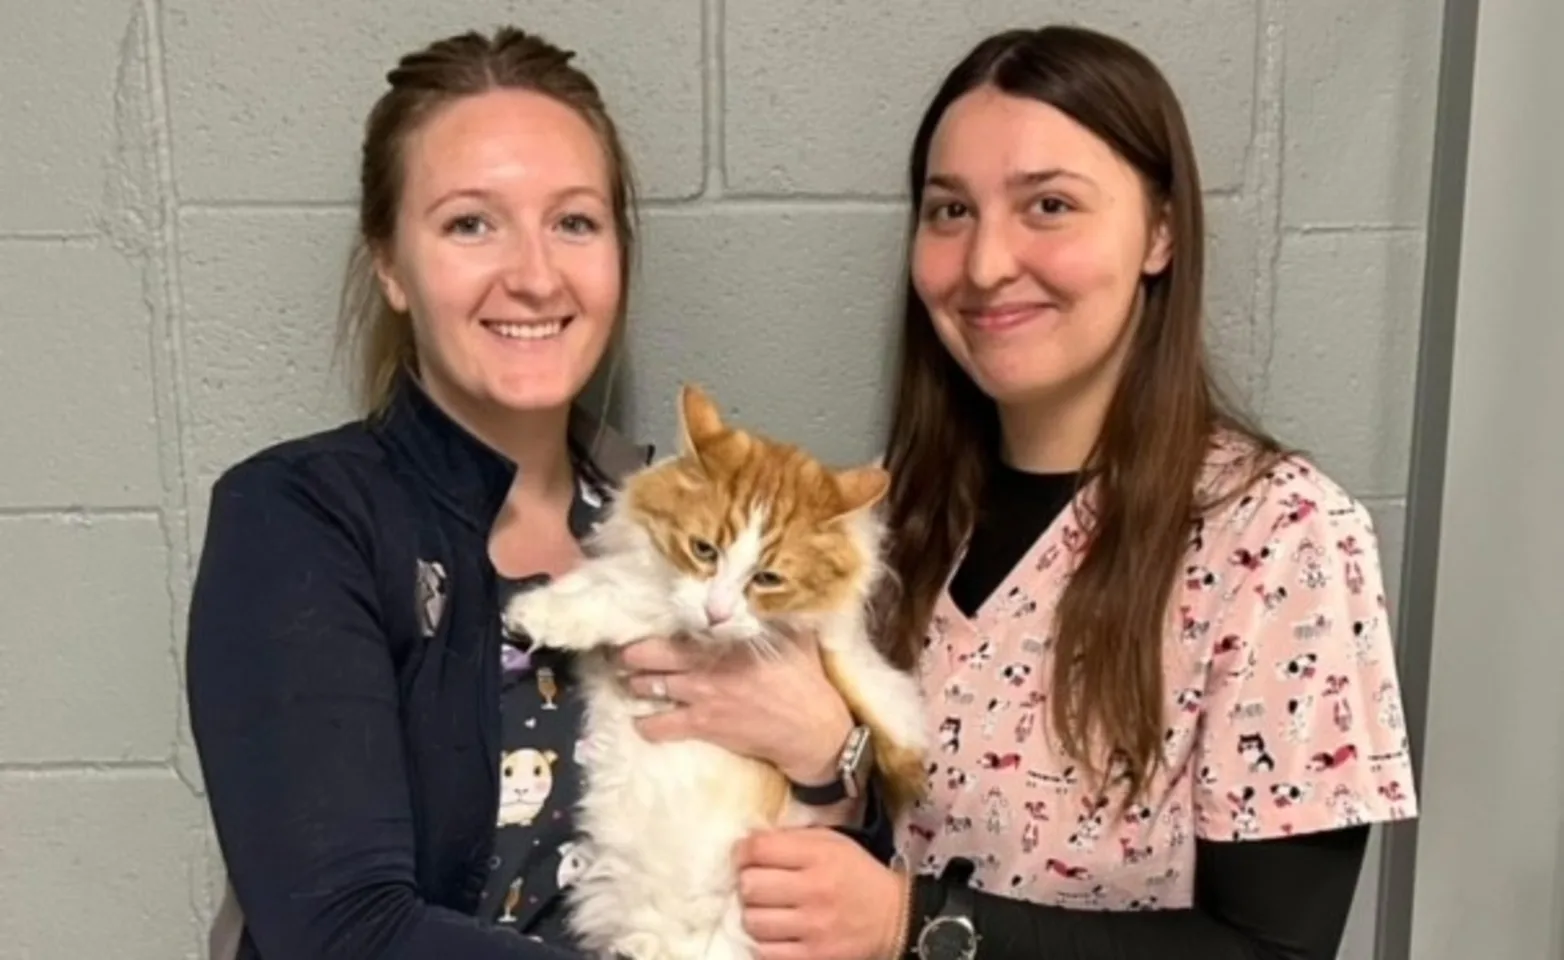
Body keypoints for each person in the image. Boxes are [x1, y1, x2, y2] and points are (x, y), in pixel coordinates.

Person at [184, 26, 890, 960]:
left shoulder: (690, 535)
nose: (533, 276)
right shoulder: (299, 521)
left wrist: (832, 757)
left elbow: (841, 895)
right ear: (391, 264)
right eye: (470, 224)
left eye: (574, 223)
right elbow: (343, 931)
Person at [730, 24, 1420, 960]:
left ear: (1161, 232)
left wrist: (915, 923)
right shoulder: (889, 522)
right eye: (950, 211)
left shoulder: (1281, 537)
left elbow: (1276, 951)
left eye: (1049, 205)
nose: (985, 265)